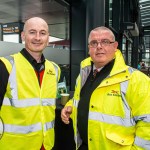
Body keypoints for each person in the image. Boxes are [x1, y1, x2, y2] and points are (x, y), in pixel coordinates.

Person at [61, 26, 150, 150]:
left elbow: (147, 124)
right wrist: (70, 106)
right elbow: (81, 99)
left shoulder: (136, 80)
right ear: (89, 49)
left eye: (105, 42)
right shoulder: (84, 74)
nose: (99, 46)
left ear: (115, 46)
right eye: (93, 43)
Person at [0, 17, 60, 150]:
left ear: (48, 38)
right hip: (14, 146)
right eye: (32, 32)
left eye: (42, 33)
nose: (37, 37)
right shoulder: (6, 66)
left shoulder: (54, 69)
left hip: (47, 145)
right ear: (23, 35)